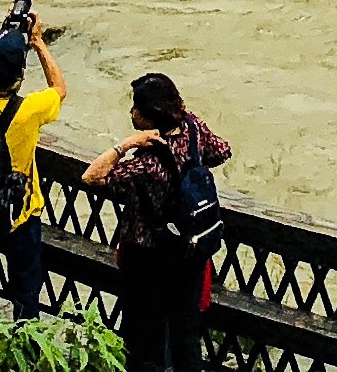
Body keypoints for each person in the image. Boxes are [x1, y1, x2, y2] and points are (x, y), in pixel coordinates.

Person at [84, 73, 231, 372]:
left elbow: (92, 177)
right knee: (185, 332)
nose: (131, 112)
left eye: (136, 108)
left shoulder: (147, 163)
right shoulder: (193, 129)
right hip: (188, 251)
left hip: (148, 257)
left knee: (143, 336)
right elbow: (222, 151)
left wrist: (125, 145)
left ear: (151, 116)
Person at [0, 9, 67, 317]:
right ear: (21, 76)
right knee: (25, 291)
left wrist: (0, 33)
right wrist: (38, 41)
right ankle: (23, 337)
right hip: (20, 214)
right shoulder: (29, 109)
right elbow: (59, 88)